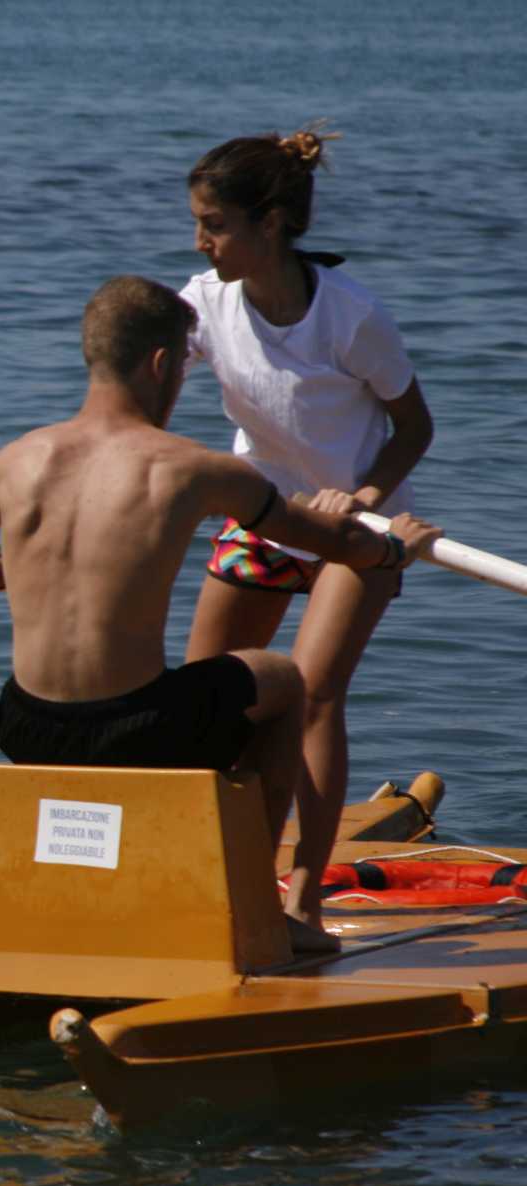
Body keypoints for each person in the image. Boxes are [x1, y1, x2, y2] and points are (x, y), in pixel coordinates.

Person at [0, 275, 439, 953]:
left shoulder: (15, 459)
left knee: (202, 690)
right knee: (279, 680)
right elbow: (338, 546)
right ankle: (259, 910)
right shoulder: (197, 469)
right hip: (135, 730)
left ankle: (142, 881)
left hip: (22, 725)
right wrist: (396, 547)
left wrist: (28, 574)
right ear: (163, 365)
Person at [179, 128, 435, 940]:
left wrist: (358, 498)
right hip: (263, 517)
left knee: (314, 696)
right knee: (201, 704)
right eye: (197, 222)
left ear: (274, 221)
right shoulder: (201, 304)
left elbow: (414, 428)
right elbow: (138, 388)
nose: (200, 240)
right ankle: (209, 878)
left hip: (358, 532)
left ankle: (302, 904)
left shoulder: (351, 318)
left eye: (214, 223)